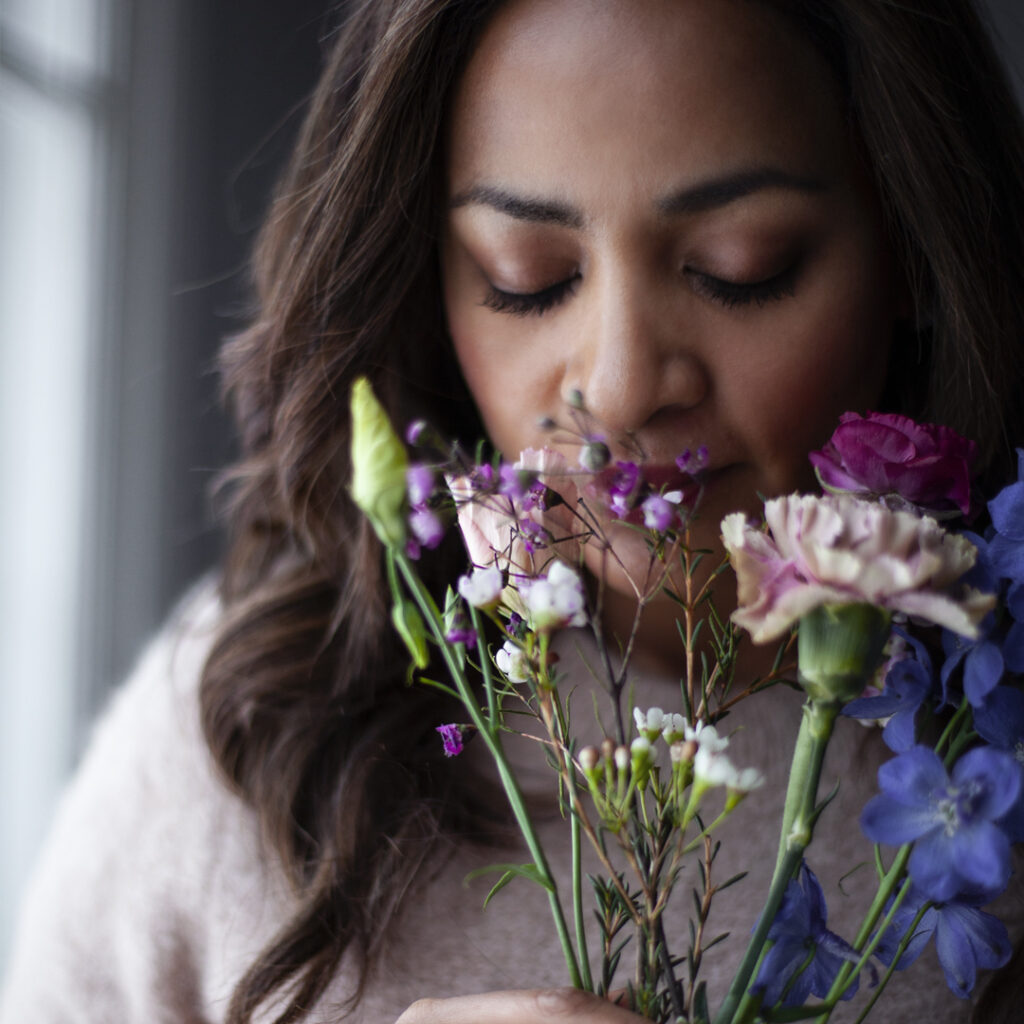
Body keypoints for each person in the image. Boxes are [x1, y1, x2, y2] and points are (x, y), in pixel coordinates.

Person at [3, 1, 1024, 1022]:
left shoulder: (985, 757)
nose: (619, 387)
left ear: (906, 248)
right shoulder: (245, 734)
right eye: (525, 281)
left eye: (738, 266)